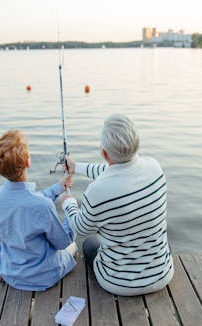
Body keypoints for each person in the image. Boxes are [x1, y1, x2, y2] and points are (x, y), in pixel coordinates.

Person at [61, 114, 173, 296]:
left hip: (118, 283)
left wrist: (69, 204)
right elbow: (116, 170)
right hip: (162, 275)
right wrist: (77, 167)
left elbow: (80, 228)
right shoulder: (154, 167)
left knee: (90, 243)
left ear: (104, 153)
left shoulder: (97, 191)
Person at [0, 129, 77, 291]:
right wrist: (71, 211)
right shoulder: (42, 205)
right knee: (73, 246)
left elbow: (26, 202)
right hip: (42, 276)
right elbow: (62, 242)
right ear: (27, 163)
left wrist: (58, 188)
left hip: (10, 272)